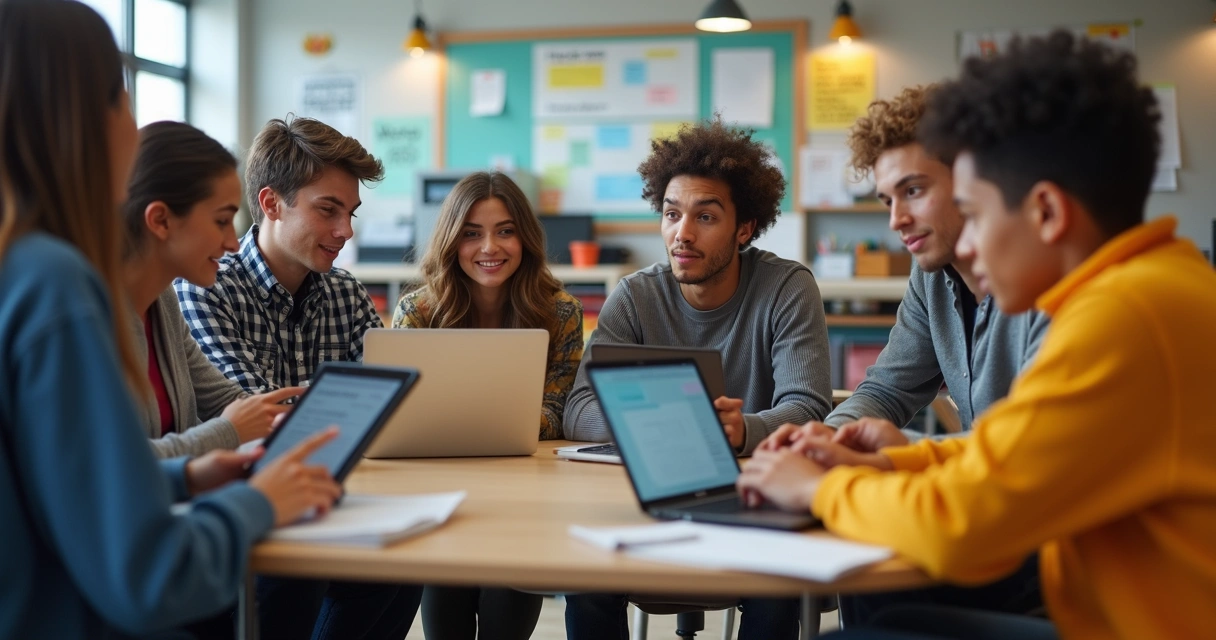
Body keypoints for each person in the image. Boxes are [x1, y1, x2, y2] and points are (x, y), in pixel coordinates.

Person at [740, 31, 1216, 639]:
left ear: (1046, 212)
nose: (966, 242)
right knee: (891, 617)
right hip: (1093, 603)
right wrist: (895, 458)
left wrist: (828, 488)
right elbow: (1020, 450)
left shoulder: (1123, 314)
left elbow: (963, 527)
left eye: (976, 212)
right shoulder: (1143, 286)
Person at [0, 1, 342, 637]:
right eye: (121, 98)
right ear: (79, 116)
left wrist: (184, 474)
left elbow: (56, 491)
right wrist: (257, 504)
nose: (134, 129)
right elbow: (152, 577)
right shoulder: (54, 285)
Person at [767, 86, 1049, 626]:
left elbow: (1025, 454)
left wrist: (894, 455)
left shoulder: (1047, 285)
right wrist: (829, 434)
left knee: (870, 546)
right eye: (886, 201)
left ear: (973, 183)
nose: (896, 220)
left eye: (913, 191)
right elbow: (887, 390)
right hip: (985, 501)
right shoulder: (931, 279)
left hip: (1036, 529)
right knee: (859, 554)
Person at [562, 119, 833, 640]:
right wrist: (668, 424)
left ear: (744, 228)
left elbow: (808, 406)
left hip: (754, 496)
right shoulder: (635, 295)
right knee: (585, 573)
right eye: (671, 214)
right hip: (649, 492)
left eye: (705, 216)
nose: (681, 234)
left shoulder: (787, 288)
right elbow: (579, 408)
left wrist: (740, 430)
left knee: (774, 582)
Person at [176, 116, 421, 640]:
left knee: (406, 567)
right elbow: (257, 417)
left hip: (336, 494)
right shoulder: (206, 286)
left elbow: (384, 403)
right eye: (328, 210)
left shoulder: (346, 292)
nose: (345, 231)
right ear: (270, 203)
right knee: (306, 574)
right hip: (252, 506)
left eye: (350, 213)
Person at [392, 170, 582, 639]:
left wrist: (468, 420)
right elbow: (400, 416)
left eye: (505, 231)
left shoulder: (559, 312)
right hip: (441, 493)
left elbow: (559, 411)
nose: (489, 248)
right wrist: (505, 419)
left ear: (527, 238)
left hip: (525, 495)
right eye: (471, 234)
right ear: (452, 241)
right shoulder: (418, 312)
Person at [124, 120, 303, 459]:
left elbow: (223, 400)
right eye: (221, 221)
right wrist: (228, 431)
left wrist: (303, 421)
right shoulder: (86, 314)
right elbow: (114, 465)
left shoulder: (161, 301)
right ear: (160, 221)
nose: (233, 244)